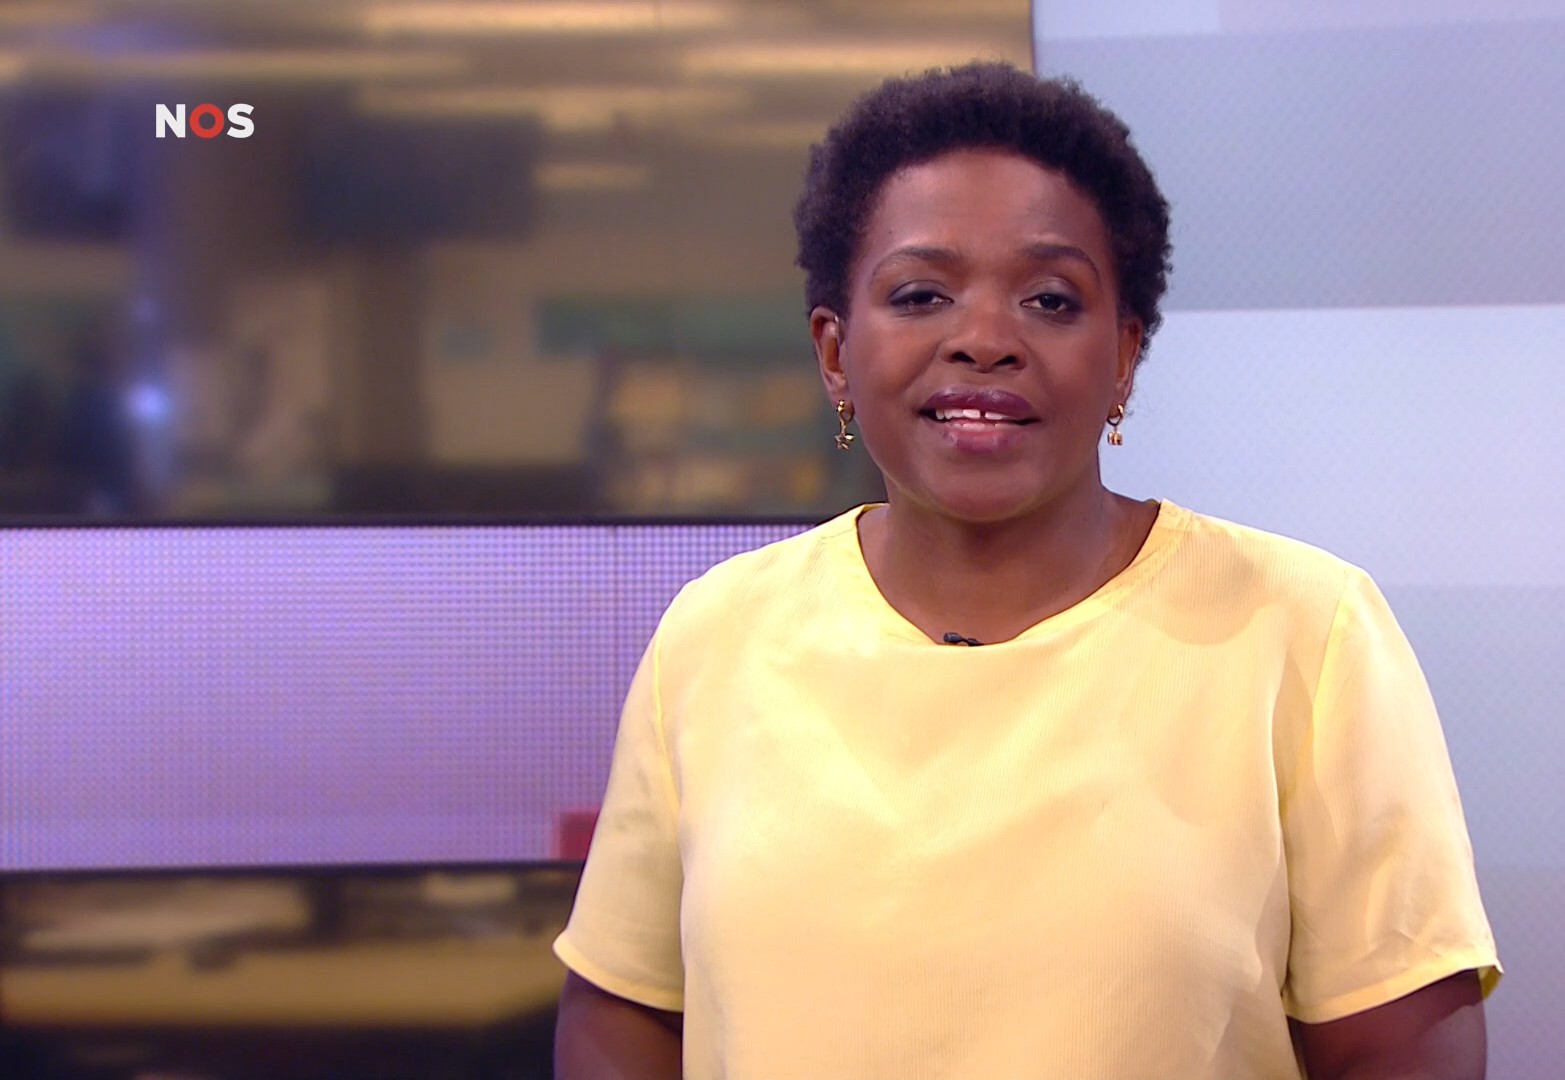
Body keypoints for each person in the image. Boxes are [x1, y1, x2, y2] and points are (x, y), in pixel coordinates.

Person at [553, 62, 1499, 1080]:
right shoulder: (714, 635)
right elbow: (625, 1023)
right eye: (921, 295)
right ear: (835, 352)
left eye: (1050, 299)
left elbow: (1399, 1054)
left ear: (1124, 354)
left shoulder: (1306, 633)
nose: (985, 341)